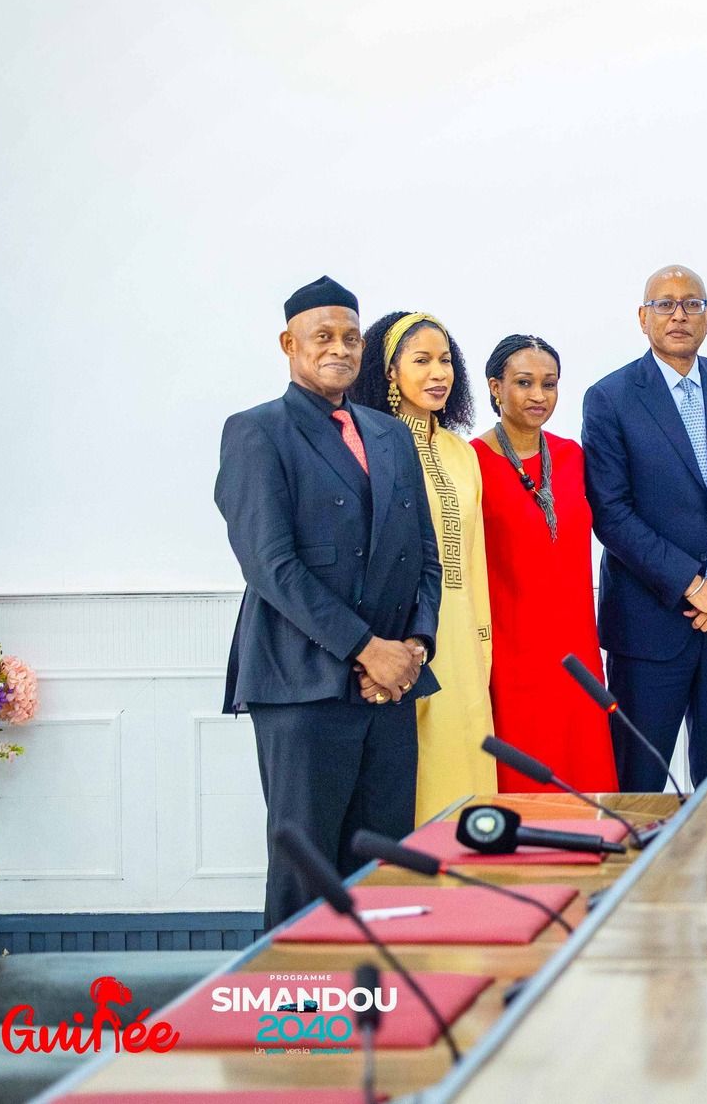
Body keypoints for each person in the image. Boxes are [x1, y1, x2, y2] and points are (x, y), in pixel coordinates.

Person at [214, 277, 440, 926]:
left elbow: (425, 555)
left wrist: (412, 648)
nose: (338, 348)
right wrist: (367, 649)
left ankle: (378, 1014)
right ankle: (296, 1019)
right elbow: (272, 565)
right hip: (302, 685)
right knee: (307, 870)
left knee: (384, 872)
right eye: (323, 336)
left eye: (350, 337)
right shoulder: (258, 431)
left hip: (391, 687)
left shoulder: (389, 434)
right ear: (290, 343)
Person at [583, 265, 707, 789]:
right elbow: (612, 514)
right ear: (642, 318)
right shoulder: (610, 398)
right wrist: (697, 589)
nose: (678, 314)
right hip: (649, 630)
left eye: (691, 304)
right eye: (665, 304)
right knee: (637, 789)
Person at [350, 311, 496, 823]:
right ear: (390, 372)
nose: (440, 372)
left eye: (446, 360)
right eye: (422, 360)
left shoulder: (463, 453)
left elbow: (472, 555)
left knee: (468, 761)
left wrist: (482, 638)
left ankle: (470, 892)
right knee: (410, 776)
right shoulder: (370, 445)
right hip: (402, 637)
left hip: (463, 639)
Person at [472, 334, 617, 793]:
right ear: (495, 387)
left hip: (577, 651)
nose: (539, 396)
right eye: (524, 382)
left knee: (585, 780)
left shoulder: (574, 455)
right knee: (526, 783)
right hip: (511, 655)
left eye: (549, 384)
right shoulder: (470, 461)